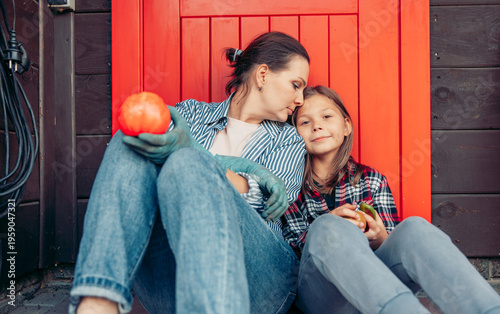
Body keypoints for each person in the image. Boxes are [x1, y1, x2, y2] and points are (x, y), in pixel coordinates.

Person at [70, 31, 310, 314]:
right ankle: (99, 300)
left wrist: (194, 155)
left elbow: (266, 203)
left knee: (187, 164)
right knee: (132, 138)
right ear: (262, 75)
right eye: (296, 85)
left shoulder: (289, 140)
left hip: (259, 282)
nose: (300, 99)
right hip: (173, 276)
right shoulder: (191, 115)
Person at [282, 85, 500, 314]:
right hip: (321, 298)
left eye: (327, 116)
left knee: (414, 227)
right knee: (327, 227)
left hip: (376, 291)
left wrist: (380, 237)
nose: (317, 125)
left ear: (346, 126)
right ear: (294, 133)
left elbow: (394, 248)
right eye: (305, 122)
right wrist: (326, 228)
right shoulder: (289, 185)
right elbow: (292, 255)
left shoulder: (372, 181)